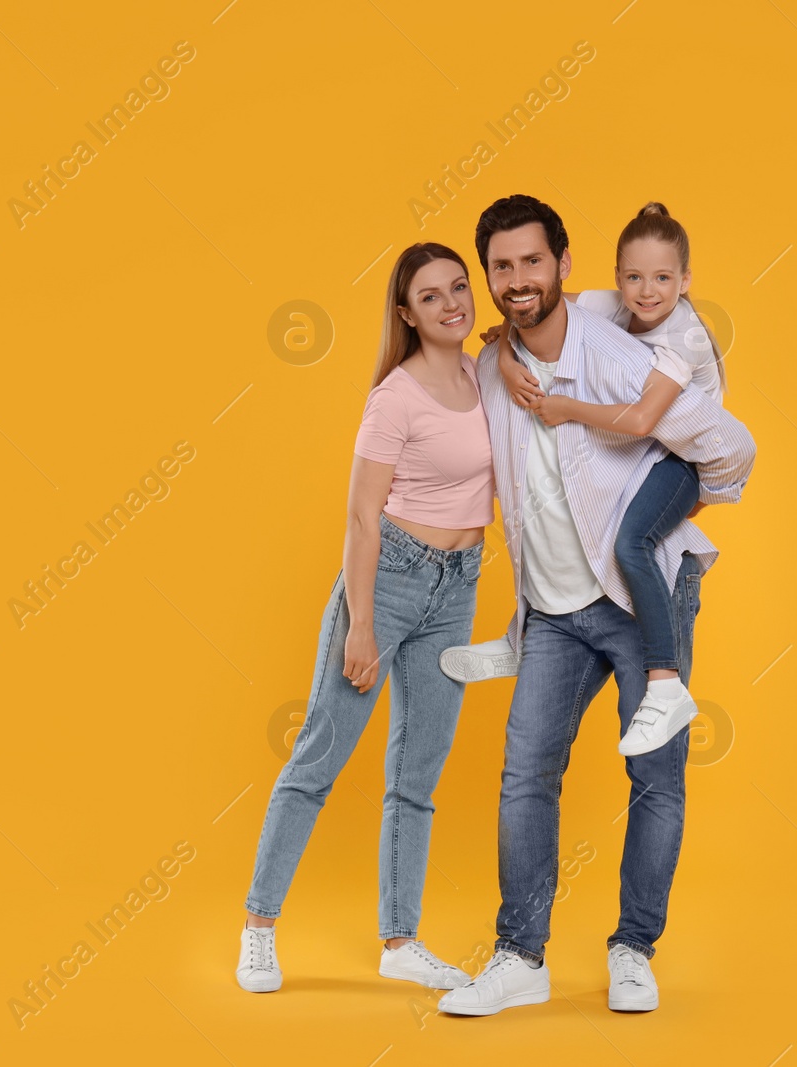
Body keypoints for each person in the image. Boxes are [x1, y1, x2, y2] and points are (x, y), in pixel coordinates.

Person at [437, 195, 756, 1017]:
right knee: (524, 776)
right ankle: (521, 955)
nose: (517, 280)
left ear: (564, 267)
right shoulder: (489, 369)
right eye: (501, 267)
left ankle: (633, 948)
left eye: (532, 262)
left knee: (655, 776)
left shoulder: (616, 355)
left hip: (633, 595)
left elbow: (726, 443)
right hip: (551, 608)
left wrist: (685, 508)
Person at [237, 243, 494, 994]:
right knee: (319, 757)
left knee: (418, 772)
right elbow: (360, 515)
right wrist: (359, 624)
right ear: (406, 312)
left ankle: (400, 937)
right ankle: (258, 927)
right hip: (387, 583)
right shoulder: (396, 397)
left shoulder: (485, 377)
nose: (452, 303)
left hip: (459, 586)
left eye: (458, 287)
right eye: (431, 295)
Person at [441, 201, 729, 757]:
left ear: (686, 281)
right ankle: (518, 635)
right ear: (617, 277)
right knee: (551, 513)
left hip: (680, 460)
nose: (646, 293)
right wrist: (503, 354)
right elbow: (529, 311)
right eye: (633, 278)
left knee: (630, 541)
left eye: (663, 279)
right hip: (646, 454)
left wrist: (566, 407)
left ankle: (664, 684)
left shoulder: (684, 339)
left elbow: (646, 420)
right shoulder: (611, 306)